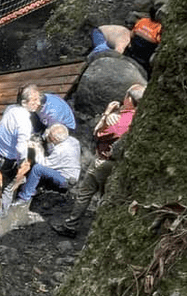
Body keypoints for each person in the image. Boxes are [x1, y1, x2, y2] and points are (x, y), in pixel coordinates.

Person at [52, 84, 146, 238]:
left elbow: (97, 134)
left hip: (103, 161)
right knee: (106, 194)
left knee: (85, 193)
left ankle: (70, 226)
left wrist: (106, 114)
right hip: (119, 163)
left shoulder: (121, 120)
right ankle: (101, 229)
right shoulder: (140, 117)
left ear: (129, 99)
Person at [0, 84, 40, 218]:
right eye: (34, 101)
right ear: (24, 102)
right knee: (7, 188)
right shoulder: (25, 124)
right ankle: (2, 216)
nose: (38, 103)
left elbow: (4, 122)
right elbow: (20, 147)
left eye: (38, 99)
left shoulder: (10, 109)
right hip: (7, 161)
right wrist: (21, 161)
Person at [14, 124, 81, 205]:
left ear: (55, 139)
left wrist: (38, 149)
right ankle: (38, 187)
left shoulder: (60, 151)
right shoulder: (73, 140)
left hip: (65, 180)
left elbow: (43, 163)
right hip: (74, 175)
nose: (47, 134)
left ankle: (24, 198)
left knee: (37, 169)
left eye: (49, 135)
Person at [124, 8, 162, 76]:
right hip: (145, 57)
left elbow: (132, 34)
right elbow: (159, 42)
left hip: (133, 52)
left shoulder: (142, 21)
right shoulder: (159, 28)